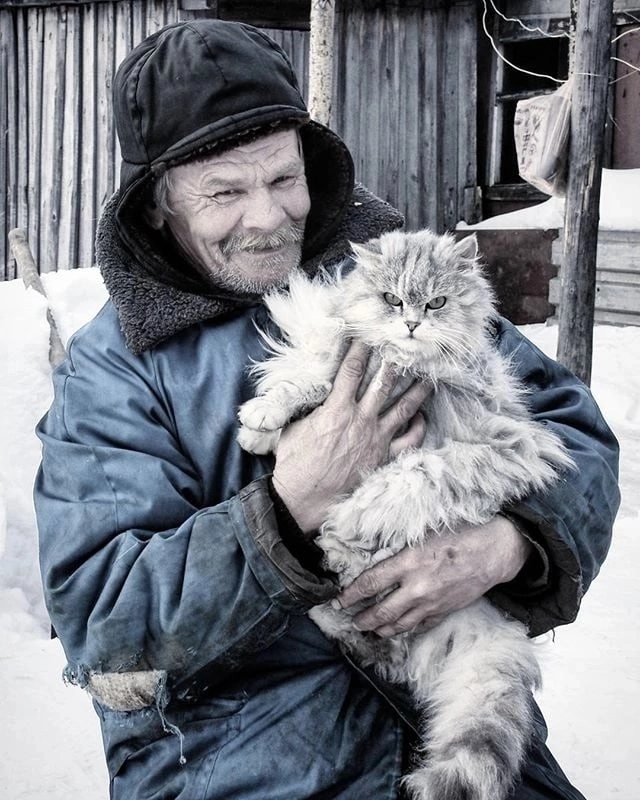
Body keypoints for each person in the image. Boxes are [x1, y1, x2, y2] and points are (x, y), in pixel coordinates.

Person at [34, 19, 619, 800]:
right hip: (245, 767)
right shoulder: (114, 370)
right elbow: (107, 625)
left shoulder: (392, 271)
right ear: (156, 208)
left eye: (283, 178)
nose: (269, 217)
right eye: (224, 192)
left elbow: (575, 434)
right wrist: (287, 503)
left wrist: (511, 545)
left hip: (470, 730)